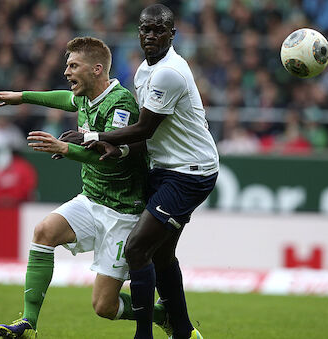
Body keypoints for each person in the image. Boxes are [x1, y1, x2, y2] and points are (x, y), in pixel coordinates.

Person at [0, 37, 168, 339]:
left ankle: (162, 314)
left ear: (97, 69)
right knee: (44, 231)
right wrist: (23, 97)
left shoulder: (120, 104)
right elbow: (62, 99)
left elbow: (111, 159)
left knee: (104, 306)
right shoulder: (83, 95)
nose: (66, 72)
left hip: (123, 212)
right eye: (66, 65)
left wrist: (65, 149)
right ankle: (29, 323)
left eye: (73, 65)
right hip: (91, 199)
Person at [63, 5, 219, 339]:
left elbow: (145, 128)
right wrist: (117, 147)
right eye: (145, 30)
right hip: (164, 168)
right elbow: (139, 132)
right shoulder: (144, 72)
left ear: (172, 33)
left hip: (190, 173)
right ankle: (182, 331)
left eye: (158, 30)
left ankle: (143, 334)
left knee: (137, 249)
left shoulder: (169, 72)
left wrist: (92, 136)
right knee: (161, 255)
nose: (150, 36)